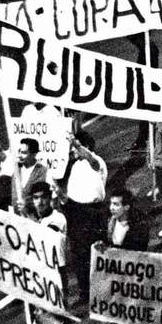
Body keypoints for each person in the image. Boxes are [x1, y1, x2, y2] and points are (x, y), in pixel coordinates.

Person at [96, 189, 152, 324]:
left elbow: (138, 249)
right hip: (112, 280)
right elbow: (105, 242)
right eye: (111, 204)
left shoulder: (139, 226)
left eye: (116, 204)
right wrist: (101, 246)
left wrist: (112, 251)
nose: (112, 208)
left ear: (126, 207)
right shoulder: (109, 223)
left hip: (132, 281)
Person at [61, 130, 108, 303]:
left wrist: (76, 144)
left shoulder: (97, 163)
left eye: (75, 147)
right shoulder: (74, 166)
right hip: (75, 212)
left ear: (85, 146)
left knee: (96, 252)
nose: (72, 151)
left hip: (93, 212)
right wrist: (61, 197)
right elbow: (72, 193)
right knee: (78, 255)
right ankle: (84, 293)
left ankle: (101, 292)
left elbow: (92, 160)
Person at [7, 137, 50, 218]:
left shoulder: (43, 171)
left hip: (33, 219)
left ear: (34, 154)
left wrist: (26, 205)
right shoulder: (16, 167)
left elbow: (44, 199)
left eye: (24, 153)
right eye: (19, 151)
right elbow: (1, 155)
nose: (19, 155)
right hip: (15, 218)